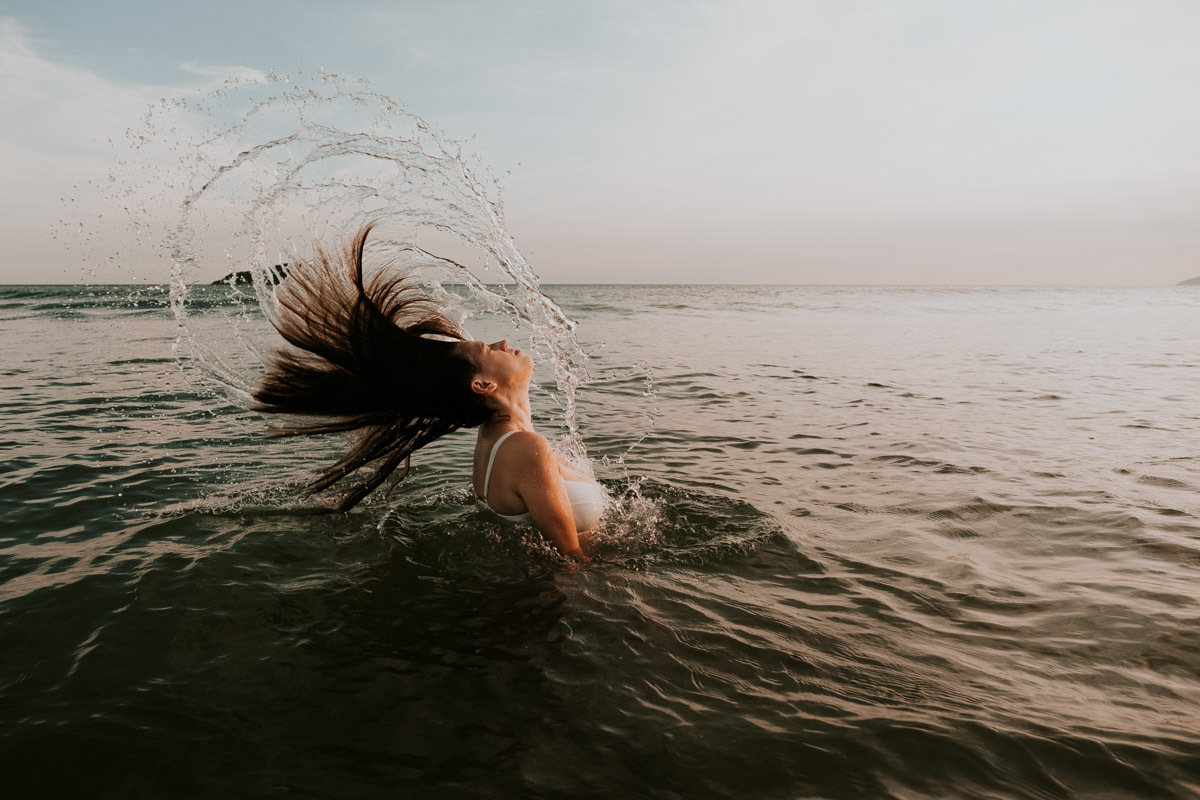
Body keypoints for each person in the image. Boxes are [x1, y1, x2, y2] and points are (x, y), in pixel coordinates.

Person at [252, 223, 601, 561]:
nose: (503, 343)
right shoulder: (524, 446)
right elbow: (571, 559)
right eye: (488, 349)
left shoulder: (495, 438)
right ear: (482, 385)